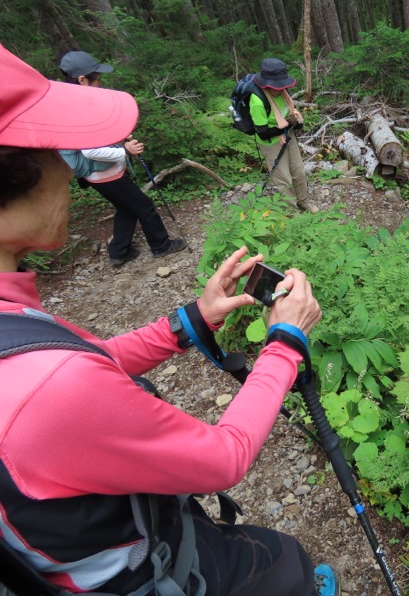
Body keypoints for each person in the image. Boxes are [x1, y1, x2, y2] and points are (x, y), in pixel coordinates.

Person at [0, 45, 338, 596]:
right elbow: (222, 459)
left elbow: (82, 364)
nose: (68, 168)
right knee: (287, 563)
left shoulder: (16, 325)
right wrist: (285, 341)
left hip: (81, 544)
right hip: (140, 573)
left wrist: (191, 321)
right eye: (54, 153)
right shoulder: (46, 386)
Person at [58, 50, 186, 267]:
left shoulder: (74, 102)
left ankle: (119, 252)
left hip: (101, 174)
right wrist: (125, 151)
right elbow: (90, 151)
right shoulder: (78, 109)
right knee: (144, 206)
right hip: (104, 174)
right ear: (82, 80)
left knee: (126, 208)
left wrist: (118, 135)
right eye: (96, 78)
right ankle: (161, 246)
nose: (100, 82)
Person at [250, 57, 319, 213]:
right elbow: (262, 132)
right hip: (271, 142)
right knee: (284, 180)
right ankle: (292, 213)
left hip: (288, 135)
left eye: (283, 85)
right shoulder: (257, 101)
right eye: (277, 86)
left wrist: (297, 122)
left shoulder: (283, 92)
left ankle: (303, 201)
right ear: (267, 84)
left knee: (299, 172)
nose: (281, 89)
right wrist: (288, 125)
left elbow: (289, 113)